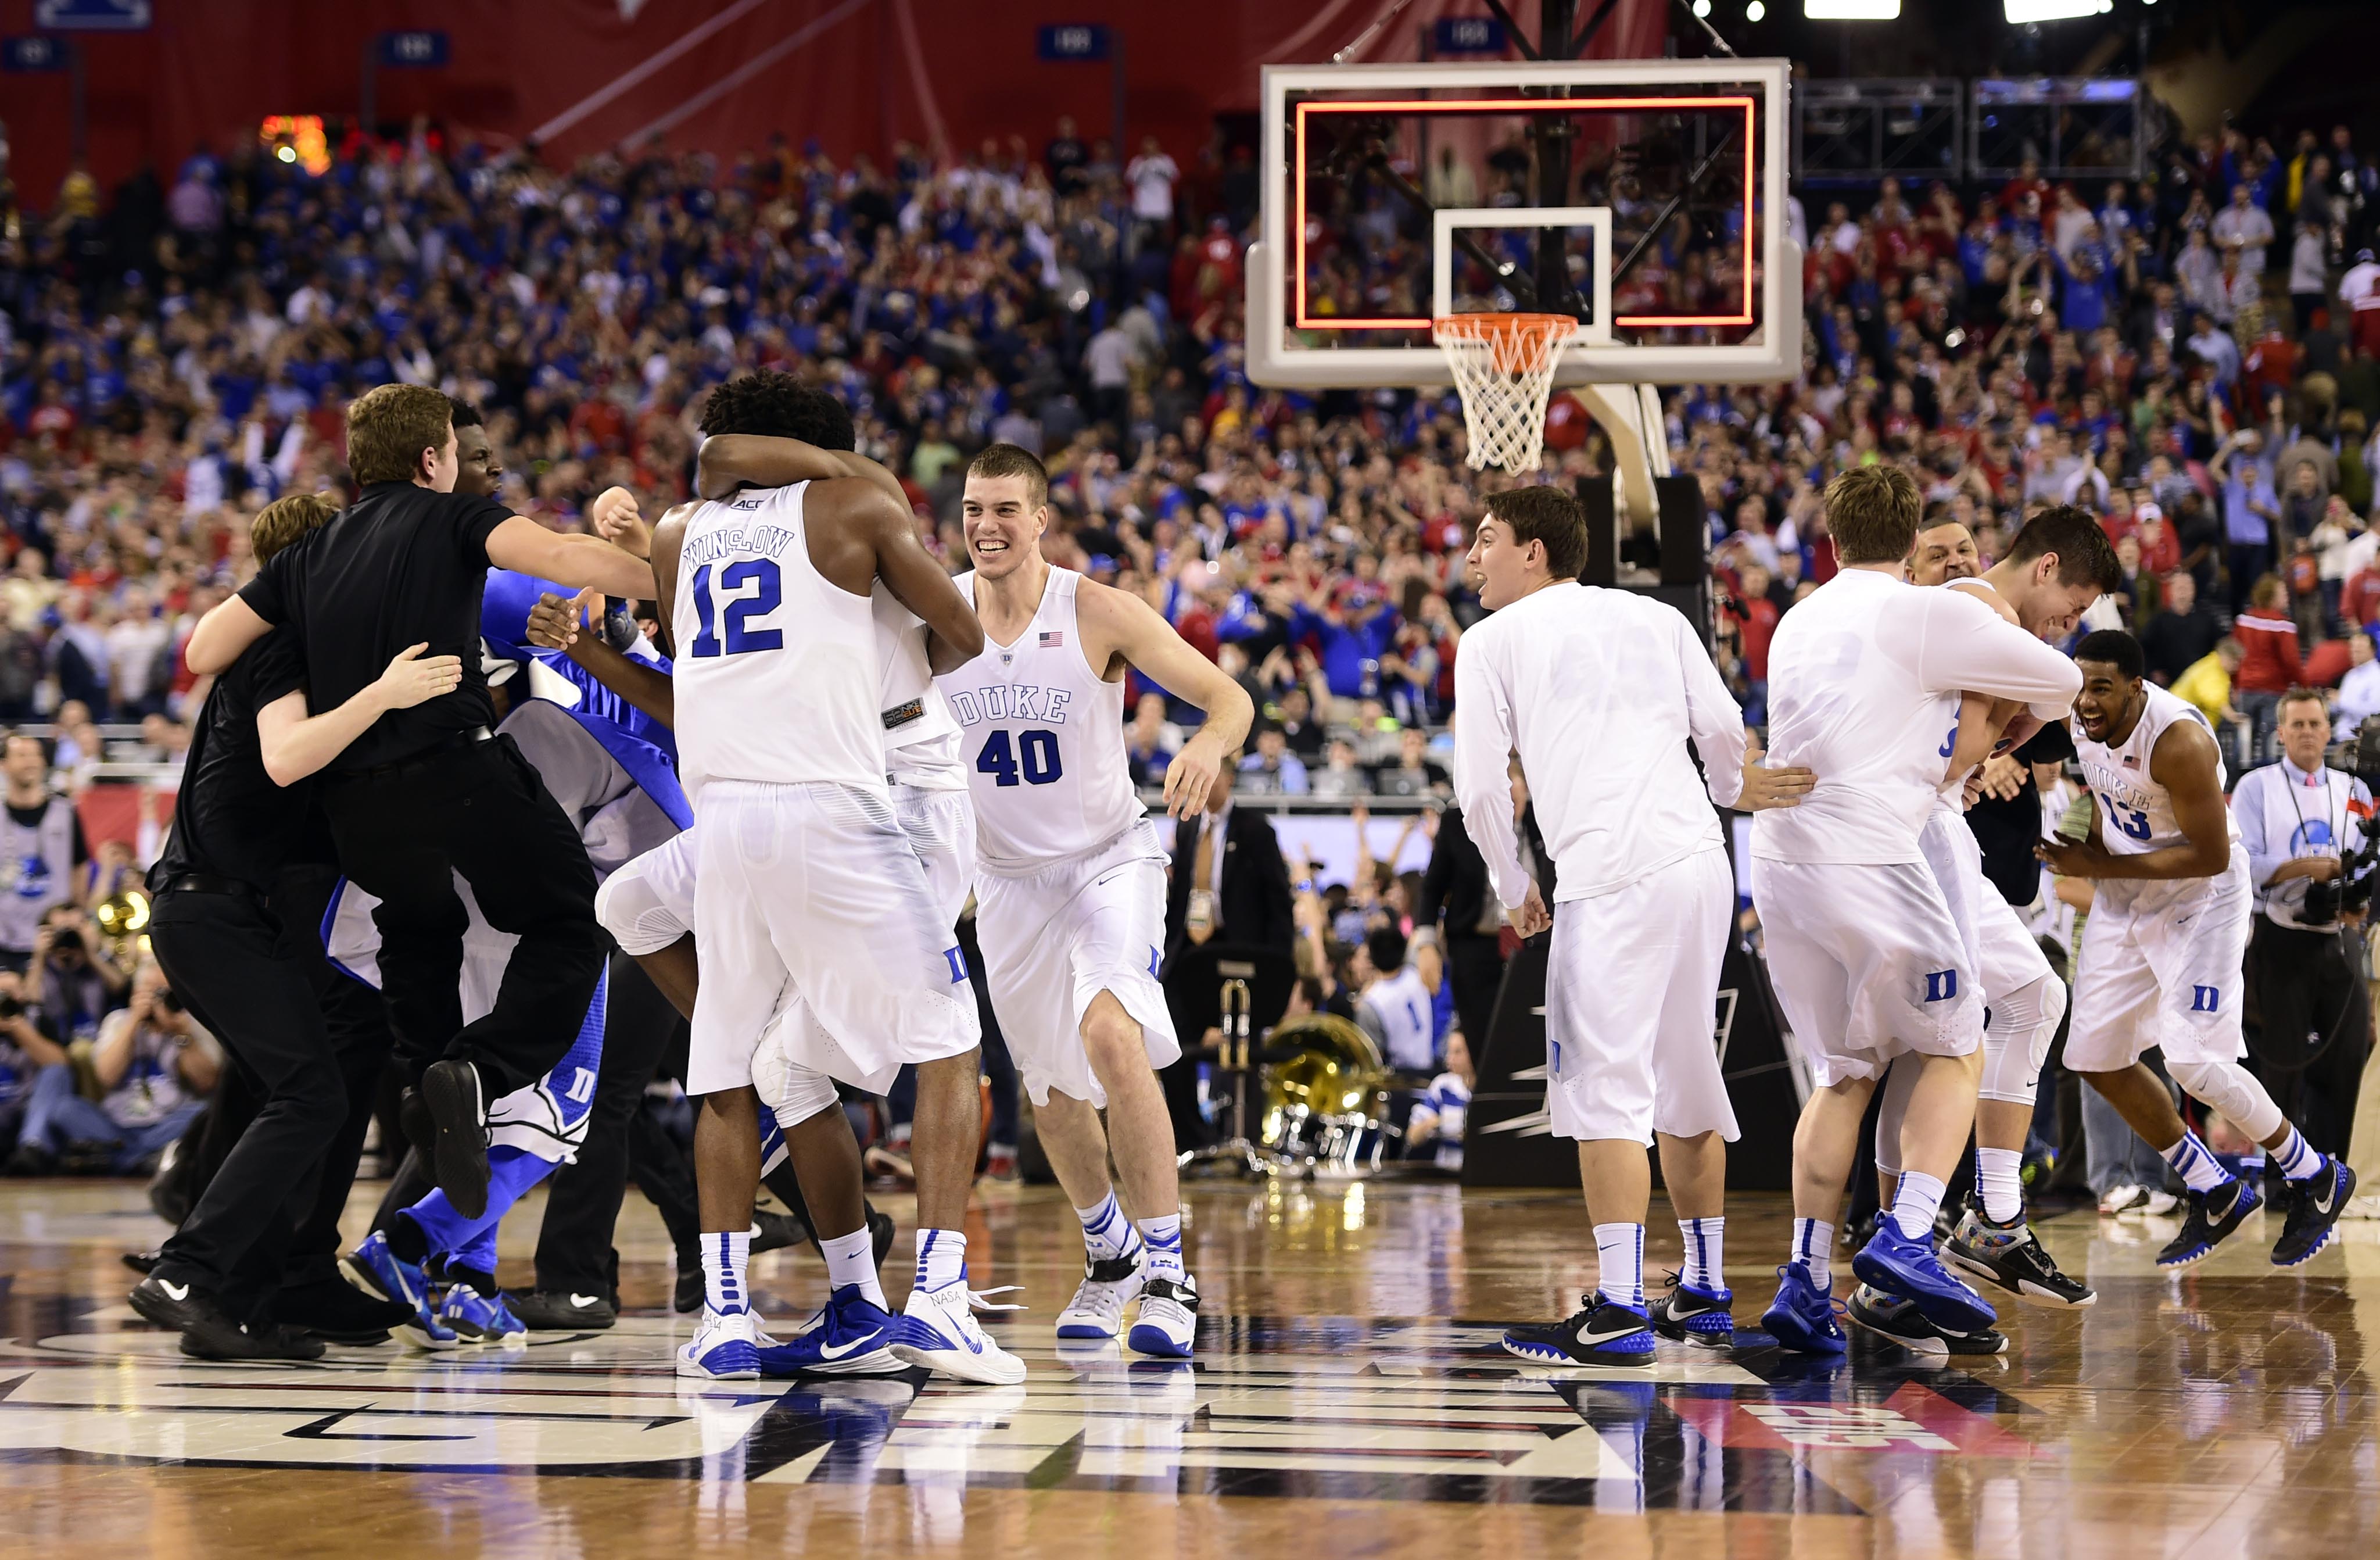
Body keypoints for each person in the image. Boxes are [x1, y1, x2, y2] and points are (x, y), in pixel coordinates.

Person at [182, 384, 654, 1223]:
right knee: (569, 924)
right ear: (432, 459)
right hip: (455, 772)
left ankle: (431, 1090)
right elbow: (569, 561)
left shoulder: (309, 555)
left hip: (359, 808)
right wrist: (671, 572)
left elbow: (204, 647)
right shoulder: (454, 520)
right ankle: (477, 1072)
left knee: (419, 935)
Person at [648, 375, 998, 1384]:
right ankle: (934, 1295)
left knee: (727, 1069)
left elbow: (688, 664)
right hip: (834, 803)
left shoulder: (677, 530)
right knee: (949, 1036)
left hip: (723, 814)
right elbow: (967, 635)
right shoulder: (854, 501)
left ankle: (725, 1316)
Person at [1451, 485, 1811, 1367]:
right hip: (1697, 861)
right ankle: (1706, 1287)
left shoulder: (1489, 641)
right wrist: (1730, 792)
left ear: (1534, 552)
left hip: (1610, 876)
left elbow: (1478, 789)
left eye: (1486, 540)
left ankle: (1617, 1306)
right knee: (1689, 1072)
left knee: (1604, 1094)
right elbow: (1726, 729)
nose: (1471, 559)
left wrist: (1512, 882)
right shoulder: (1655, 619)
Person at [1752, 466, 2083, 1356]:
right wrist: (2005, 730)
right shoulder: (1926, 611)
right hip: (1872, 854)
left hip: (1781, 867)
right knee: (1958, 1043)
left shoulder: (1795, 620)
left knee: (1846, 1073)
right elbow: (2061, 676)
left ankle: (1805, 1283)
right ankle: (1908, 1236)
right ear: (1909, 548)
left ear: (1830, 541)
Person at [940, 442, 1254, 1360]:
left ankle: (1167, 1271)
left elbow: (1227, 697)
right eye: (973, 511)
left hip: (1107, 862)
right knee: (1048, 1091)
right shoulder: (937, 614)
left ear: (1041, 520)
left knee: (1113, 1035)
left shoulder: (1096, 610)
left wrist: (1209, 746)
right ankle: (1108, 1251)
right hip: (1004, 883)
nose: (988, 527)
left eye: (1006, 510)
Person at [1857, 507, 2117, 1352]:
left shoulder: (1985, 622)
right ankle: (1922, 1244)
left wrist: (1988, 749)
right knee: (1936, 1037)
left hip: (1937, 830)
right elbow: (1982, 731)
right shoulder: (1972, 614)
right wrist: (1985, 749)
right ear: (2046, 568)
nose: (2067, 626)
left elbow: (1986, 732)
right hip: (1909, 835)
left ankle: (1977, 1223)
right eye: (2072, 608)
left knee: (2031, 997)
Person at [2041, 632, 2357, 1269]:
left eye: (2102, 687)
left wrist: (2100, 863)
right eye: (2081, 687)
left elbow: (2211, 854)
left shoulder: (2179, 740)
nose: (2087, 701)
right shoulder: (2082, 720)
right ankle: (2212, 1186)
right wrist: (2100, 856)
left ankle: (2314, 1174)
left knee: (2191, 1058)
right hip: (2128, 891)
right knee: (2092, 1055)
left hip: (2202, 899)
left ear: (2137, 686)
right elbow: (2107, 800)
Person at [2229, 688, 2374, 1157]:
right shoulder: (2256, 785)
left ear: (2329, 731)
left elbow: (2368, 861)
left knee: (2349, 1053)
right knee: (2283, 1061)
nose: (2308, 733)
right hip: (2280, 936)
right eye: (2298, 725)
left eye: (2315, 724)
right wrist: (2303, 868)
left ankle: (2336, 1164)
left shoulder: (2353, 788)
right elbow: (2242, 862)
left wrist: (2355, 896)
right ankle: (2283, 1174)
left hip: (2339, 933)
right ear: (2281, 733)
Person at [0, 732, 89, 973]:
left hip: (57, 942)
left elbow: (80, 866)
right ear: (4, 764)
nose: (30, 762)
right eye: (21, 755)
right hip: (5, 942)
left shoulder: (65, 812)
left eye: (35, 755)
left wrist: (77, 913)